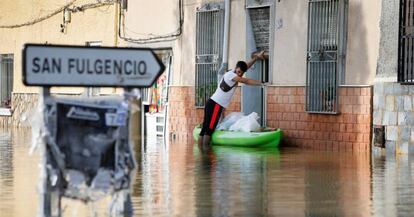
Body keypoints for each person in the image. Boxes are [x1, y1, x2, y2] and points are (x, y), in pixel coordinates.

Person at [198, 51, 266, 150]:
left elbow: (245, 66)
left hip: (212, 103)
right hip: (216, 104)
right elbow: (246, 81)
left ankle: (202, 155)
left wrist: (255, 58)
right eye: (239, 72)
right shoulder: (230, 76)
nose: (240, 74)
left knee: (205, 127)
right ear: (235, 68)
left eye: (242, 73)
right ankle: (205, 155)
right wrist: (262, 82)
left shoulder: (234, 72)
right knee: (209, 129)